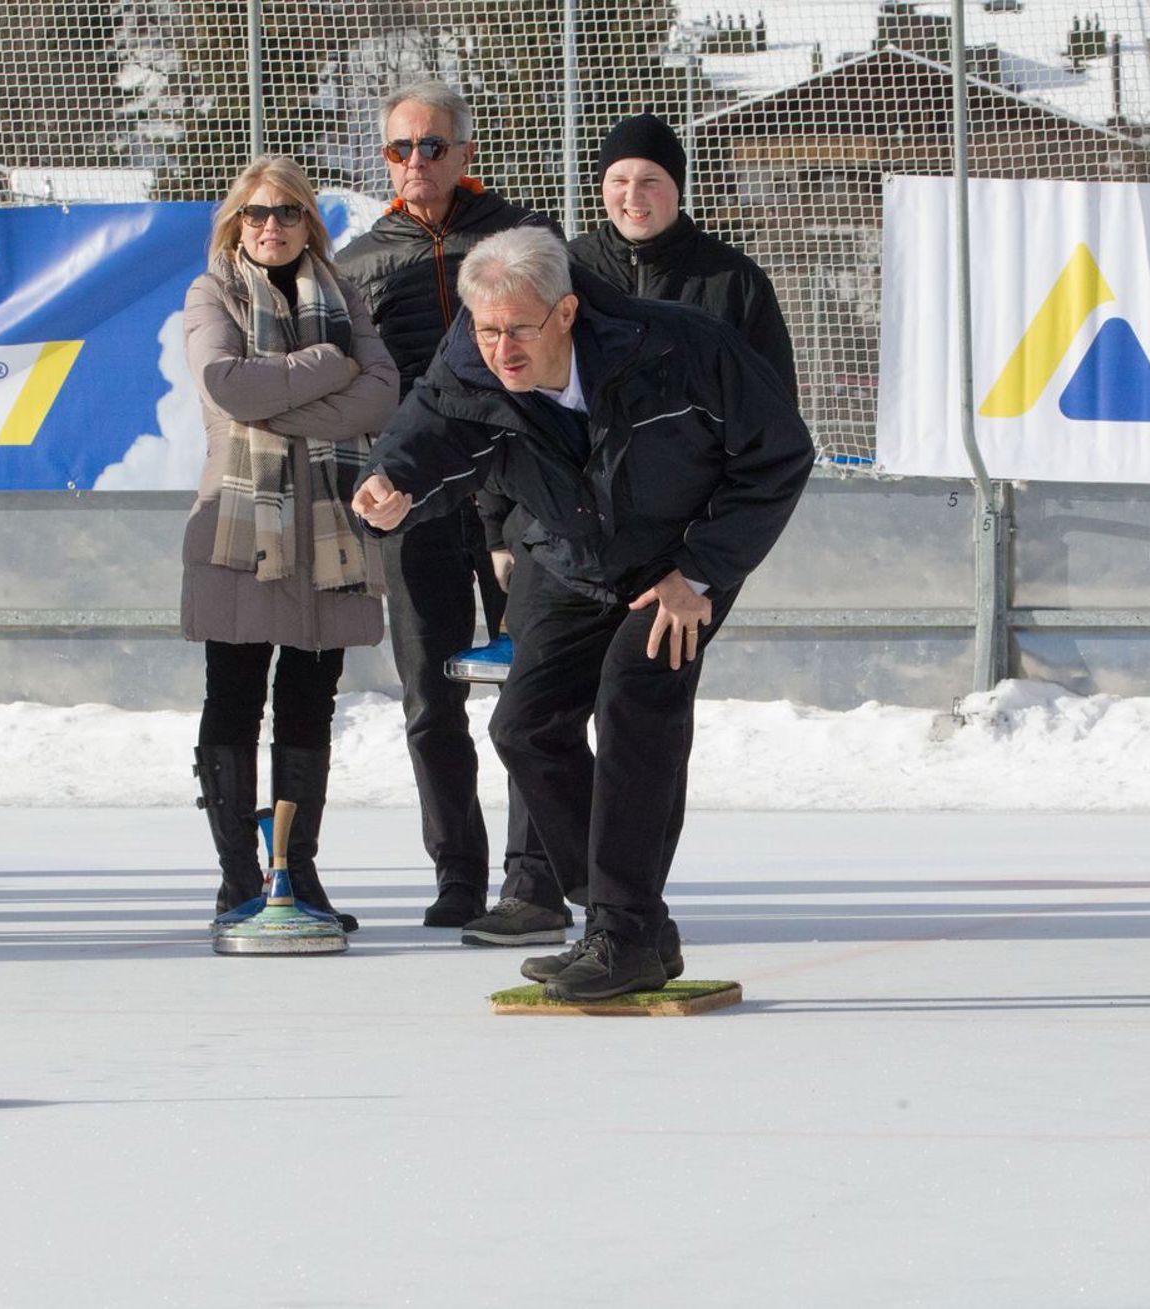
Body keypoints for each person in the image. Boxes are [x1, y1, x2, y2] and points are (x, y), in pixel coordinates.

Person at [351, 227, 813, 1000]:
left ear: (565, 312)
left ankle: (623, 930)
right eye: (487, 330)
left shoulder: (679, 348)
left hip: (680, 563)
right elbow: (425, 428)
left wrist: (700, 570)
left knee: (634, 701)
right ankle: (629, 922)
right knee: (524, 726)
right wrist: (388, 480)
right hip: (572, 553)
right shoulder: (470, 361)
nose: (501, 349)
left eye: (518, 330)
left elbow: (781, 454)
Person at [338, 80, 561, 932]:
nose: (417, 162)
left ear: (466, 153)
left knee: (532, 693)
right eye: (400, 148)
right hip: (419, 502)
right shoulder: (359, 261)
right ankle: (458, 871)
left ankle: (533, 877)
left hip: (522, 498)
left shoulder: (522, 240)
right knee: (431, 698)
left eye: (433, 146)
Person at [182, 156, 397, 934]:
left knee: (310, 700)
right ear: (235, 223)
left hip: (330, 529)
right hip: (243, 526)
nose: (271, 225)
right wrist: (328, 367)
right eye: (256, 213)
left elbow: (382, 396)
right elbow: (227, 385)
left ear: (310, 221)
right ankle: (240, 879)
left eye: (287, 212)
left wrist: (280, 401)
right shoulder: (213, 292)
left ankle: (295, 870)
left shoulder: (346, 295)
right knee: (234, 695)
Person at [567, 113, 796, 400]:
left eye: (650, 181)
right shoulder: (569, 269)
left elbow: (773, 401)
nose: (633, 196)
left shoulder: (735, 280)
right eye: (619, 181)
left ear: (677, 188)